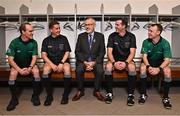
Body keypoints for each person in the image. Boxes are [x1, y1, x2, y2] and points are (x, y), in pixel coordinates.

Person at [6, 22, 41, 111]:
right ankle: (14, 99)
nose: (32, 32)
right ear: (23, 32)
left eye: (32, 30)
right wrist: (19, 70)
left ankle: (35, 96)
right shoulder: (14, 42)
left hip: (30, 64)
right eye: (30, 31)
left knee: (36, 72)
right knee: (13, 74)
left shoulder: (34, 43)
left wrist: (29, 68)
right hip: (17, 65)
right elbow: (10, 60)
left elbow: (34, 58)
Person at [139, 23, 172, 109]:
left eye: (151, 31)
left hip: (160, 63)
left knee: (167, 71)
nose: (149, 32)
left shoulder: (165, 43)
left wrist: (159, 68)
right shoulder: (146, 42)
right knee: (142, 68)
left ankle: (166, 97)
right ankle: (143, 94)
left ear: (158, 32)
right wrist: (148, 66)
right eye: (149, 30)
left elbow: (167, 60)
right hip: (148, 62)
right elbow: (144, 57)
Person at [104, 18, 137, 105]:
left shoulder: (131, 36)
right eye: (115, 24)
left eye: (117, 25)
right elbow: (109, 52)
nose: (115, 26)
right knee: (108, 67)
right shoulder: (112, 36)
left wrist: (126, 63)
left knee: (132, 67)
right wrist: (114, 63)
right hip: (114, 60)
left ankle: (130, 95)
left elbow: (132, 53)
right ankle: (109, 93)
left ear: (124, 26)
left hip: (127, 60)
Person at [72, 17, 105, 101]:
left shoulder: (100, 36)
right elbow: (77, 51)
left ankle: (96, 91)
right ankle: (80, 90)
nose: (87, 26)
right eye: (85, 25)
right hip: (83, 61)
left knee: (100, 70)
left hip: (95, 61)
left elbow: (102, 52)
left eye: (89, 24)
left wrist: (94, 62)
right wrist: (85, 62)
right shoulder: (81, 36)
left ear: (94, 25)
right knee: (78, 70)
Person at [41, 21, 72, 105]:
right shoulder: (46, 40)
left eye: (59, 28)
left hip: (63, 61)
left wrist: (61, 63)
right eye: (56, 28)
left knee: (67, 69)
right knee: (45, 70)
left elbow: (67, 52)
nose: (59, 30)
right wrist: (51, 65)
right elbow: (43, 55)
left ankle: (65, 95)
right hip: (51, 62)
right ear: (51, 30)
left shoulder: (64, 38)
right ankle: (49, 95)